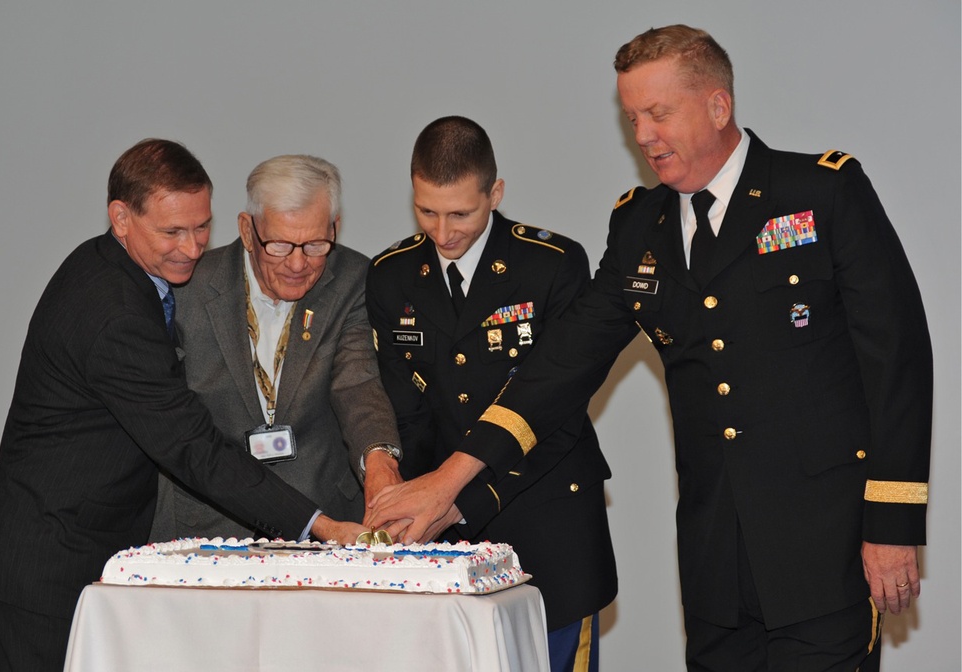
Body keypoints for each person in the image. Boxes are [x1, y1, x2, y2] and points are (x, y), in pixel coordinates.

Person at [366, 27, 933, 672]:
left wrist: (892, 523)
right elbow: (559, 367)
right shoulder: (640, 224)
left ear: (719, 107)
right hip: (716, 558)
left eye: (659, 114)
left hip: (825, 547)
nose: (642, 135)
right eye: (632, 117)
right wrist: (449, 478)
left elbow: (899, 362)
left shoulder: (821, 193)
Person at [0, 139, 367, 672]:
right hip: (47, 561)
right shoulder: (114, 314)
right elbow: (191, 447)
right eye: (172, 231)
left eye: (202, 226)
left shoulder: (111, 263)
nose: (193, 247)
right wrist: (320, 524)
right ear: (122, 218)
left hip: (73, 544)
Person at [365, 116, 616, 671]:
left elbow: (558, 414)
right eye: (426, 211)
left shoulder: (552, 265)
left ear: (495, 193)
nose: (443, 231)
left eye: (461, 213)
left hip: (546, 523)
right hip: (440, 541)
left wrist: (457, 502)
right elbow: (405, 410)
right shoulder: (391, 275)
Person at [150, 154, 402, 542]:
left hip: (328, 520)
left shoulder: (353, 278)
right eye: (281, 245)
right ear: (247, 231)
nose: (299, 264)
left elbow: (358, 385)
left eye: (316, 243)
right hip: (210, 524)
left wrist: (380, 460)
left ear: (336, 227)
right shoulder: (189, 287)